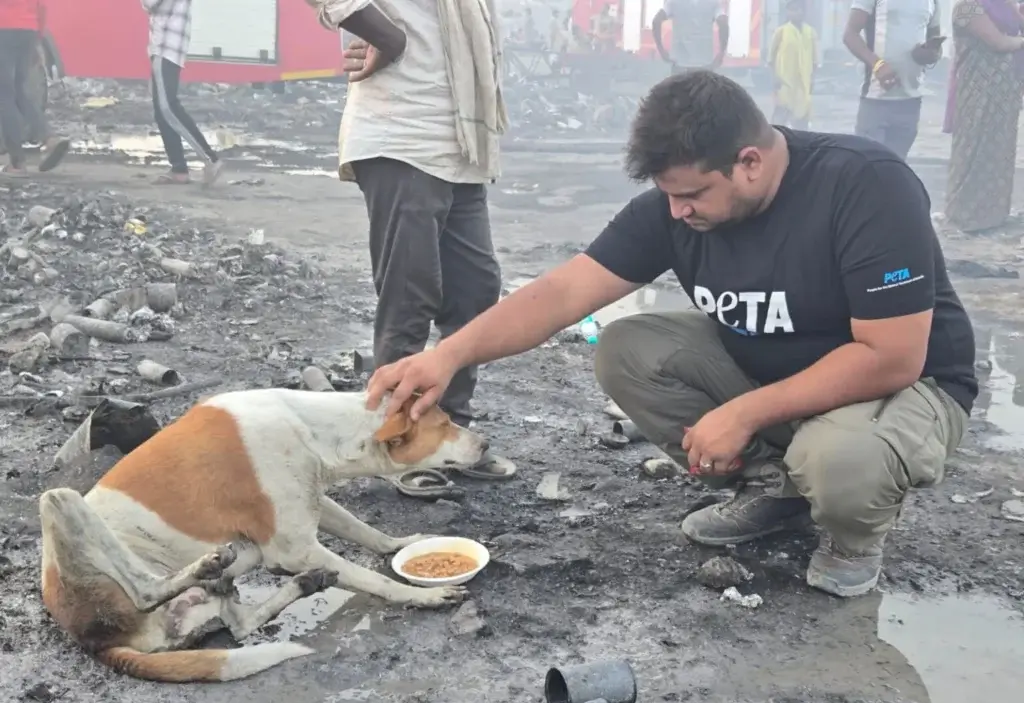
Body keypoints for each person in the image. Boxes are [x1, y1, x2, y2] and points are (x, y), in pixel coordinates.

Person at [365, 70, 977, 598]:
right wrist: (447, 355)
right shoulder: (676, 206)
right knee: (629, 349)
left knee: (841, 459)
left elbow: (891, 356)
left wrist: (744, 412)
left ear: (750, 162)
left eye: (692, 194)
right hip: (781, 372)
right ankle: (779, 488)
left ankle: (851, 539)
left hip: (904, 387)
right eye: (668, 196)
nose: (679, 212)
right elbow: (563, 293)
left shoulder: (866, 184)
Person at [310, 0, 517, 491]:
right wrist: (389, 38)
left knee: (475, 291)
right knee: (409, 294)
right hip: (402, 132)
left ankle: (448, 433)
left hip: (462, 142)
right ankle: (400, 443)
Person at [943, 0, 1024, 232]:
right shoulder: (966, 7)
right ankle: (964, 216)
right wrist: (1021, 41)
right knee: (975, 149)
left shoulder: (1006, 5)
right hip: (977, 93)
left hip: (1005, 95)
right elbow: (998, 42)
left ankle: (993, 215)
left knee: (999, 151)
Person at [843, 0, 944, 159]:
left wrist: (930, 54)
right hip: (875, 100)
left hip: (911, 100)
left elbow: (935, 41)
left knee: (896, 168)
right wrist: (877, 64)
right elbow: (850, 34)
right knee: (868, 167)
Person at [142, 0, 223, 185]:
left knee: (167, 107)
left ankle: (211, 159)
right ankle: (179, 170)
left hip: (166, 46)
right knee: (161, 108)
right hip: (167, 45)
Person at [0, 0, 70, 179]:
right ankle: (48, 137)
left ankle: (17, 163)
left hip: (4, 29)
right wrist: (37, 38)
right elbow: (42, 6)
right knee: (20, 92)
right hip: (28, 29)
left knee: (5, 96)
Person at [768, 0, 819, 129]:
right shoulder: (781, 31)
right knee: (780, 117)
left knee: (802, 117)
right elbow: (771, 58)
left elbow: (815, 60)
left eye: (799, 9)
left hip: (803, 83)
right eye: (793, 9)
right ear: (787, 12)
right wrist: (774, 78)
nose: (797, 12)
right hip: (785, 82)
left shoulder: (810, 32)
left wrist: (812, 79)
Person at [652, 0, 730, 73]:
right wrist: (721, 52)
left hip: (680, 63)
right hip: (705, 63)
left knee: (680, 87)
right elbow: (723, 23)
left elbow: (656, 21)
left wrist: (661, 50)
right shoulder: (713, 2)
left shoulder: (673, 2)